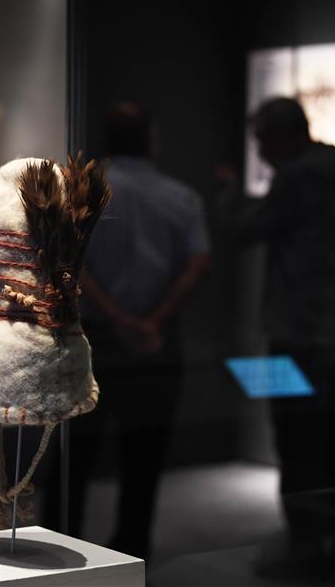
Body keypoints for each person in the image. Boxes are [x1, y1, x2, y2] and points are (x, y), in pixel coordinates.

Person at [44, 102, 211, 560]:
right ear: (152, 140)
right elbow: (197, 264)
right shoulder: (181, 197)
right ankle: (132, 553)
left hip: (92, 337)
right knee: (144, 457)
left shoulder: (82, 193)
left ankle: (58, 553)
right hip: (156, 340)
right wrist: (150, 322)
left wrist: (117, 318)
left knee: (73, 456)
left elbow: (69, 265)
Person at [220, 97, 335, 577]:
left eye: (262, 140)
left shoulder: (295, 179)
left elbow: (244, 232)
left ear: (282, 136)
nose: (260, 151)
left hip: (297, 334)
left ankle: (304, 550)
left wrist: (228, 193)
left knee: (298, 445)